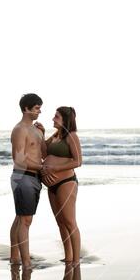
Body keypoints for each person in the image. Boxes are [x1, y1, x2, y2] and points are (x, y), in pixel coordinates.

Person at [40, 107, 82, 265]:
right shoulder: (56, 135)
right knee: (60, 223)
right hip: (52, 186)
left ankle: (76, 260)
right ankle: (68, 257)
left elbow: (78, 161)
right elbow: (43, 153)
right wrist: (43, 134)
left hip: (66, 183)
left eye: (56, 116)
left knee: (70, 222)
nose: (53, 118)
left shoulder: (72, 136)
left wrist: (54, 169)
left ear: (65, 119)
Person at [9, 93, 46, 269]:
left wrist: (44, 134)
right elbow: (19, 160)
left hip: (34, 177)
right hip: (22, 176)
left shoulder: (36, 130)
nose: (40, 111)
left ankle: (14, 256)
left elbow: (42, 154)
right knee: (25, 221)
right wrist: (43, 168)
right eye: (37, 108)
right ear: (26, 109)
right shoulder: (19, 130)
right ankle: (26, 263)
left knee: (20, 218)